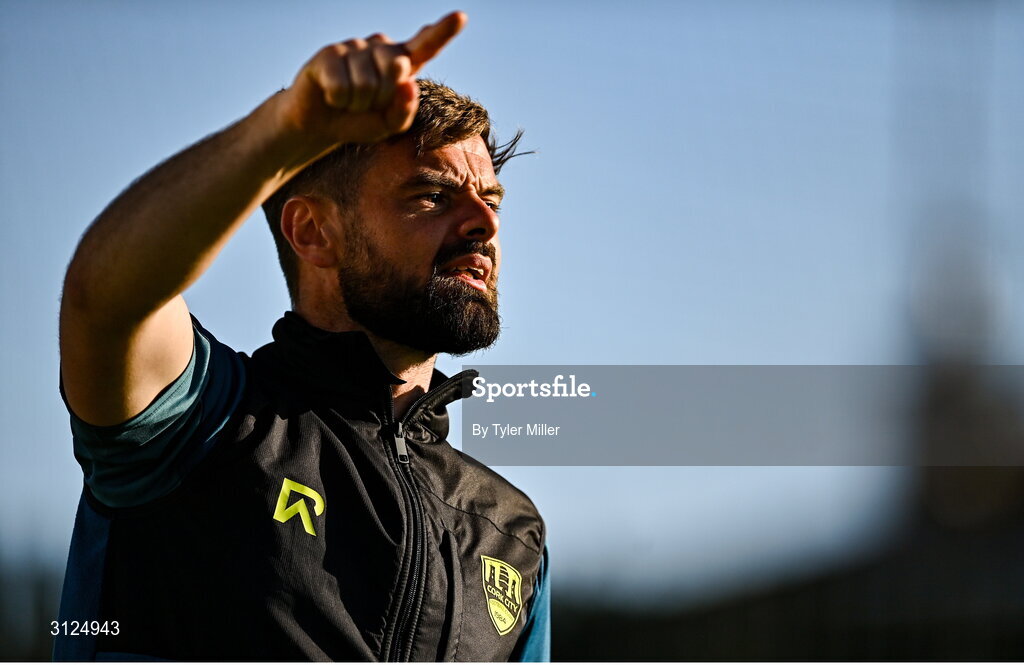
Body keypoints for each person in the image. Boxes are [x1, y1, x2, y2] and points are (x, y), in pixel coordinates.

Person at [55, 11, 548, 661]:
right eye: (431, 196)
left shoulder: (512, 529)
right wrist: (287, 128)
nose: (484, 222)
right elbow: (107, 296)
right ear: (313, 233)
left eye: (492, 198)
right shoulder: (201, 422)